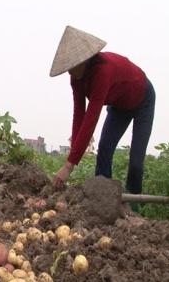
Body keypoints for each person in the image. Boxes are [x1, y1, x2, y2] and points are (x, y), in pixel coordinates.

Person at [49, 26, 155, 212]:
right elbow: (79, 116)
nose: (69, 72)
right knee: (104, 149)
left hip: (143, 99)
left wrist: (69, 166)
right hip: (119, 106)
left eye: (72, 67)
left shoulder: (102, 72)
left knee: (136, 163)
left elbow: (91, 118)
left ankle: (133, 211)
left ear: (85, 61)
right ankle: (101, 205)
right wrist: (72, 156)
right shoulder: (76, 79)